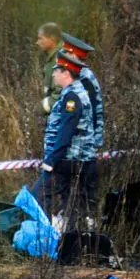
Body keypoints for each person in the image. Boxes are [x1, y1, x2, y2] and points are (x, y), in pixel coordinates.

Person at [41, 52, 95, 228]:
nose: (54, 74)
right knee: (70, 204)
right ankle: (70, 243)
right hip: (74, 159)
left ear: (66, 73)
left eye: (57, 70)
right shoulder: (74, 92)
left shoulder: (72, 97)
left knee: (39, 196)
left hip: (67, 159)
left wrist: (52, 160)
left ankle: (42, 241)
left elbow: (67, 130)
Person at [59, 31, 105, 163]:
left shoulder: (84, 79)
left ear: (73, 55)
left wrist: (94, 143)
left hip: (80, 149)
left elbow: (90, 114)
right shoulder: (77, 76)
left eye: (66, 53)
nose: (64, 56)